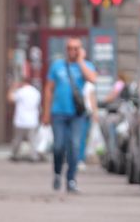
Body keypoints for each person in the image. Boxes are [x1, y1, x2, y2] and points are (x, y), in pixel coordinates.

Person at [42, 38, 97, 193]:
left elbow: (93, 79)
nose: (72, 51)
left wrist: (80, 61)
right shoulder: (57, 66)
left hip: (77, 115)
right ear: (66, 50)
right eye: (70, 48)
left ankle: (71, 179)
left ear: (81, 50)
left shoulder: (86, 66)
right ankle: (57, 173)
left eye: (76, 48)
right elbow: (49, 89)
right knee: (58, 146)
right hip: (58, 113)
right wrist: (46, 113)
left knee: (75, 146)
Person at [9, 79, 42, 162]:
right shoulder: (36, 92)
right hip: (32, 119)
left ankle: (15, 154)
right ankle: (33, 156)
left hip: (20, 120)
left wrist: (12, 88)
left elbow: (10, 99)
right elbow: (38, 105)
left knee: (17, 139)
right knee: (33, 140)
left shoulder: (21, 91)